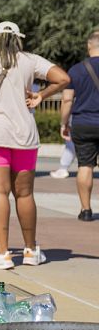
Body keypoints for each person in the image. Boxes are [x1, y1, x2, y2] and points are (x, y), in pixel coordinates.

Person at [0, 21, 69, 269]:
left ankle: (2, 253)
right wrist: (41, 95)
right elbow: (63, 77)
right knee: (24, 193)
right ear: (18, 38)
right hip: (25, 135)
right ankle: (31, 250)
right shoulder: (30, 60)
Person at [59, 28, 99, 221]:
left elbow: (67, 100)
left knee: (85, 165)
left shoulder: (76, 69)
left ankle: (85, 210)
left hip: (83, 123)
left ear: (88, 46)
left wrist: (63, 123)